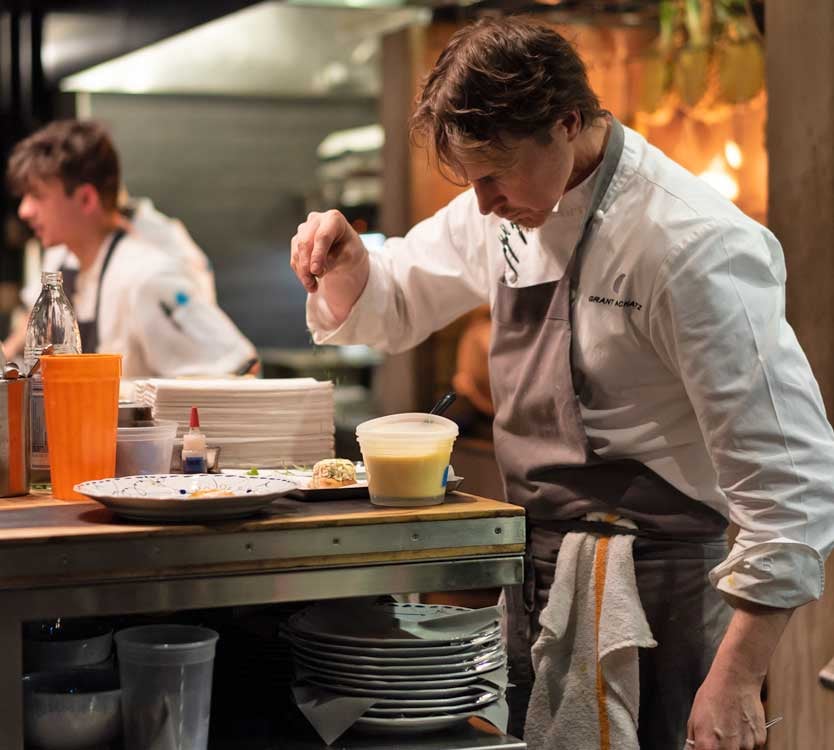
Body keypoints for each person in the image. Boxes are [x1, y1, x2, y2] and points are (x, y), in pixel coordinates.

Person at [290, 17, 834, 750]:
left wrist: (737, 676)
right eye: (470, 182)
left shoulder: (691, 243)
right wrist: (352, 261)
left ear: (568, 122)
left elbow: (794, 484)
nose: (481, 203)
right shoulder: (510, 206)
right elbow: (397, 297)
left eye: (493, 177)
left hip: (663, 584)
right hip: (540, 567)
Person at [5, 119, 256, 377]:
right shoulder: (61, 257)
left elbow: (240, 368)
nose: (24, 211)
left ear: (86, 199)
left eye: (36, 196)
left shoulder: (145, 277)